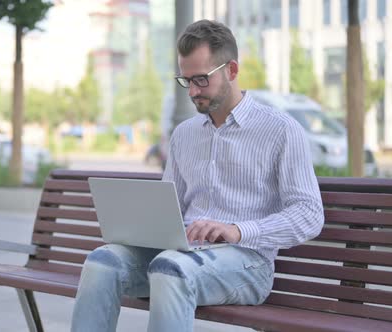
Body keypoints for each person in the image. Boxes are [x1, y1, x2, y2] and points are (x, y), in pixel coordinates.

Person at [71, 20, 324, 332]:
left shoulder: (281, 130)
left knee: (170, 268)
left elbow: (309, 214)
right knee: (102, 262)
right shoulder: (184, 134)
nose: (192, 91)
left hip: (247, 263)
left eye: (201, 80)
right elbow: (169, 208)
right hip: (182, 254)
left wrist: (238, 230)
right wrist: (142, 226)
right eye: (186, 80)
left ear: (231, 70)